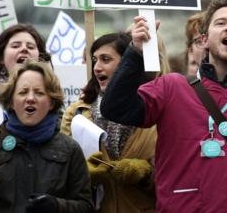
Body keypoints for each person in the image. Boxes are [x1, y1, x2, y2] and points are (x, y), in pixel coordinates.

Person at [101, 0, 227, 213]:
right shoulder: (170, 87)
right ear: (204, 39)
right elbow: (114, 108)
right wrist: (134, 52)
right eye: (220, 23)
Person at [61, 33, 170, 213]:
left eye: (106, 59)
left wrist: (145, 175)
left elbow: (174, 178)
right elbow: (62, 175)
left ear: (128, 64)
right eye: (94, 60)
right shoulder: (77, 113)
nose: (97, 67)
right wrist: (82, 174)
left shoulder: (156, 111)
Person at [0, 61, 93, 213]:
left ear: (51, 102)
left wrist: (57, 206)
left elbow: (86, 206)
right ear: (11, 102)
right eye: (23, 92)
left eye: (39, 92)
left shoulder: (70, 149)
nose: (30, 98)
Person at [0, 23, 49, 100]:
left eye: (30, 47)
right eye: (15, 46)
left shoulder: (51, 95)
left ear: (40, 58)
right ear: (1, 58)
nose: (24, 49)